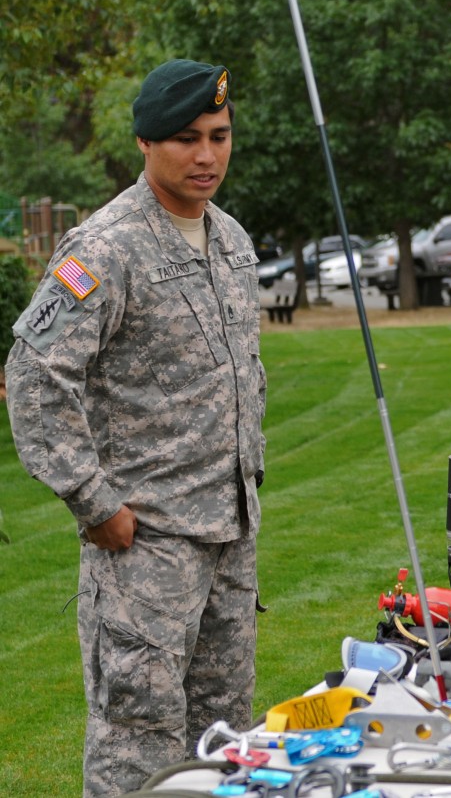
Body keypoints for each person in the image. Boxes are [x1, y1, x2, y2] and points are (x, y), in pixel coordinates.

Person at [4, 59, 265, 797]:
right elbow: (33, 375)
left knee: (223, 746)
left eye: (219, 135)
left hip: (230, 538)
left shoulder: (231, 240)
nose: (207, 154)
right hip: (145, 547)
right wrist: (94, 503)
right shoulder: (106, 246)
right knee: (136, 754)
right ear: (146, 144)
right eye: (187, 138)